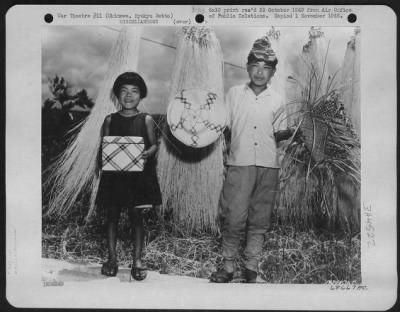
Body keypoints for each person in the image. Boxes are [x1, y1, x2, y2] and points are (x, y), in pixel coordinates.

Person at [210, 36, 294, 283]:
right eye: (255, 65)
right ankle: (227, 268)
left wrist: (296, 132)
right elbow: (222, 125)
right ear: (247, 67)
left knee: (259, 220)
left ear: (273, 71)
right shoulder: (234, 94)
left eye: (266, 67)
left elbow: (279, 132)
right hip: (239, 163)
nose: (260, 72)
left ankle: (251, 269)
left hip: (269, 166)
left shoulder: (278, 99)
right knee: (233, 217)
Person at [97, 72, 162, 281]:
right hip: (114, 176)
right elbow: (104, 146)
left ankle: (137, 261)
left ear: (141, 95)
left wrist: (147, 153)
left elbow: (154, 144)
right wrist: (102, 161)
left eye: (134, 91)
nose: (128, 95)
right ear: (116, 95)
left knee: (137, 219)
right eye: (123, 91)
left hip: (138, 177)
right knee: (112, 217)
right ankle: (112, 259)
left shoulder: (147, 120)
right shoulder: (109, 120)